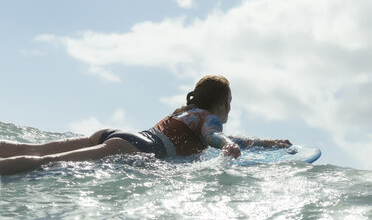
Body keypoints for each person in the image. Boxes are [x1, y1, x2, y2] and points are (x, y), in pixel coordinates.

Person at [0, 75, 291, 175]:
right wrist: (227, 144)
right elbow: (214, 135)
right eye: (230, 101)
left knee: (34, 149)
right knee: (47, 163)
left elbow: (215, 135)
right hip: (133, 147)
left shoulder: (187, 113)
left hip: (116, 134)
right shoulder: (210, 120)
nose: (230, 108)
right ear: (222, 103)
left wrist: (265, 142)